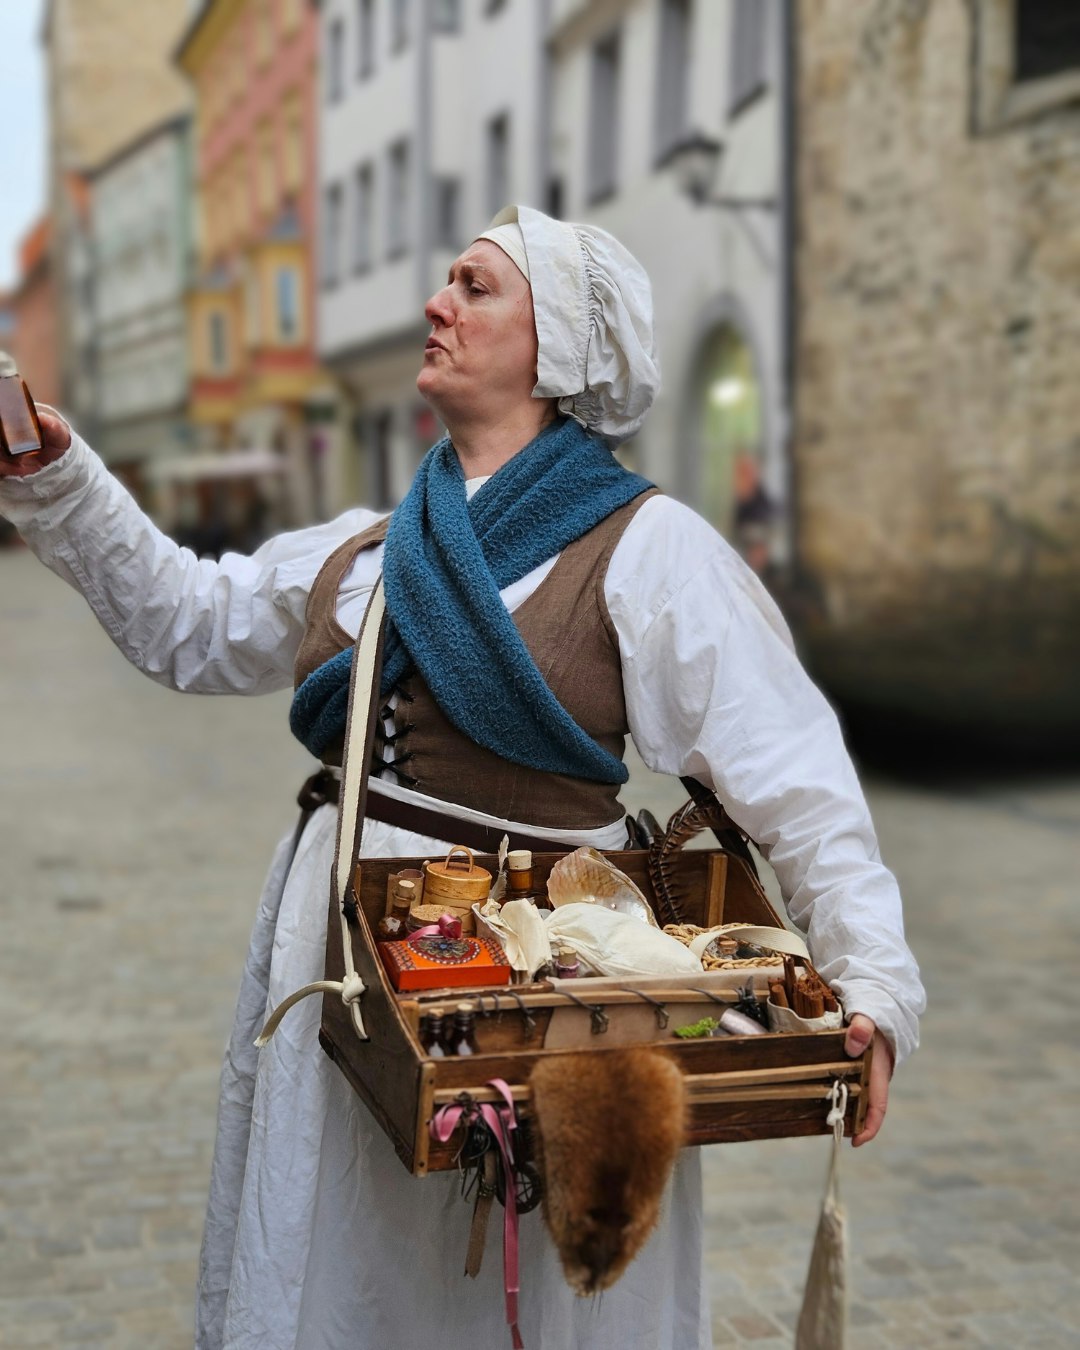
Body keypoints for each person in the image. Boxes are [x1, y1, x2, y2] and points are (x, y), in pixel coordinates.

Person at [0, 205, 924, 1350]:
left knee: (511, 1270)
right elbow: (186, 622)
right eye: (447, 281)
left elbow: (794, 779)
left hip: (532, 982)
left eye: (476, 286)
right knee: (344, 1246)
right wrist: (59, 474)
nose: (438, 304)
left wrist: (873, 983)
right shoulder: (376, 545)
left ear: (564, 349)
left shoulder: (651, 549)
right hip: (342, 959)